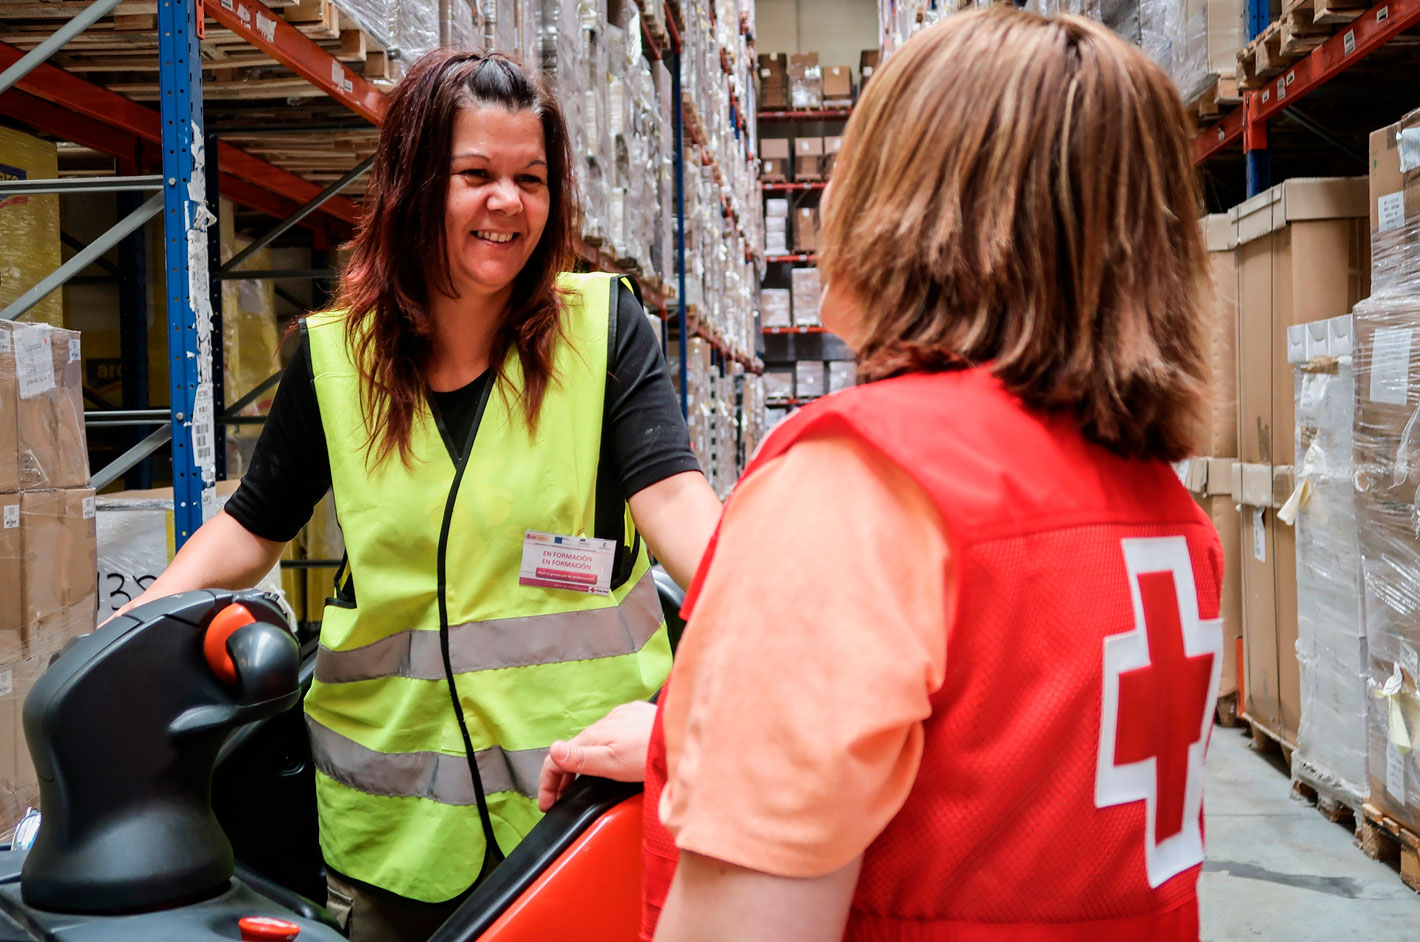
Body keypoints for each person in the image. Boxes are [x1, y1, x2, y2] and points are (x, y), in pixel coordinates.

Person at [540, 9, 1224, 940]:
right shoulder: (1161, 504)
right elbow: (1004, 774)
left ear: (907, 208)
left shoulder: (861, 487)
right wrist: (684, 743)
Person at [118, 49, 723, 942]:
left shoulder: (601, 327)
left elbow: (674, 500)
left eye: (531, 178)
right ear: (411, 186)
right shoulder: (339, 359)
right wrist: (127, 639)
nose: (507, 202)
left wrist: (764, 621)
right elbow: (251, 528)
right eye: (474, 174)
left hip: (578, 812)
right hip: (393, 835)